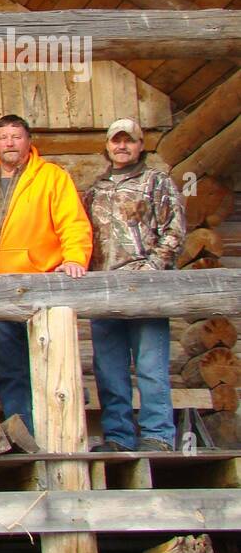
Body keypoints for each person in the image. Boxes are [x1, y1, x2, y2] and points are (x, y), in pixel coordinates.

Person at [0, 115, 92, 432]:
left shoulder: (52, 178)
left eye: (16, 136)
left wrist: (75, 258)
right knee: (9, 369)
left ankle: (59, 432)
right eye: (3, 137)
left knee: (50, 366)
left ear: (28, 141)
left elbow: (72, 223)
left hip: (40, 289)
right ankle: (24, 430)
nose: (9, 143)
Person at [83, 119, 186, 453]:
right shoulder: (94, 190)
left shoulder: (157, 182)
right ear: (108, 145)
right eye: (116, 141)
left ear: (141, 145)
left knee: (151, 368)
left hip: (147, 291)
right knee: (110, 371)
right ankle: (118, 437)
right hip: (104, 291)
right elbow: (84, 238)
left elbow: (174, 230)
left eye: (129, 141)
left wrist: (151, 269)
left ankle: (158, 435)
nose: (122, 146)